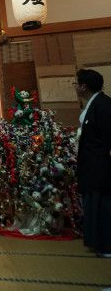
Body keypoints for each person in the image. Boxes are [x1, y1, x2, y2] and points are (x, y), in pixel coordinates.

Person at [75, 69, 111, 258]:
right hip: (92, 164)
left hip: (101, 164)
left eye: (77, 84)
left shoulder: (103, 105)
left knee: (102, 205)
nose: (76, 88)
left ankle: (106, 245)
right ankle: (97, 242)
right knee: (93, 203)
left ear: (83, 87)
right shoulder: (95, 104)